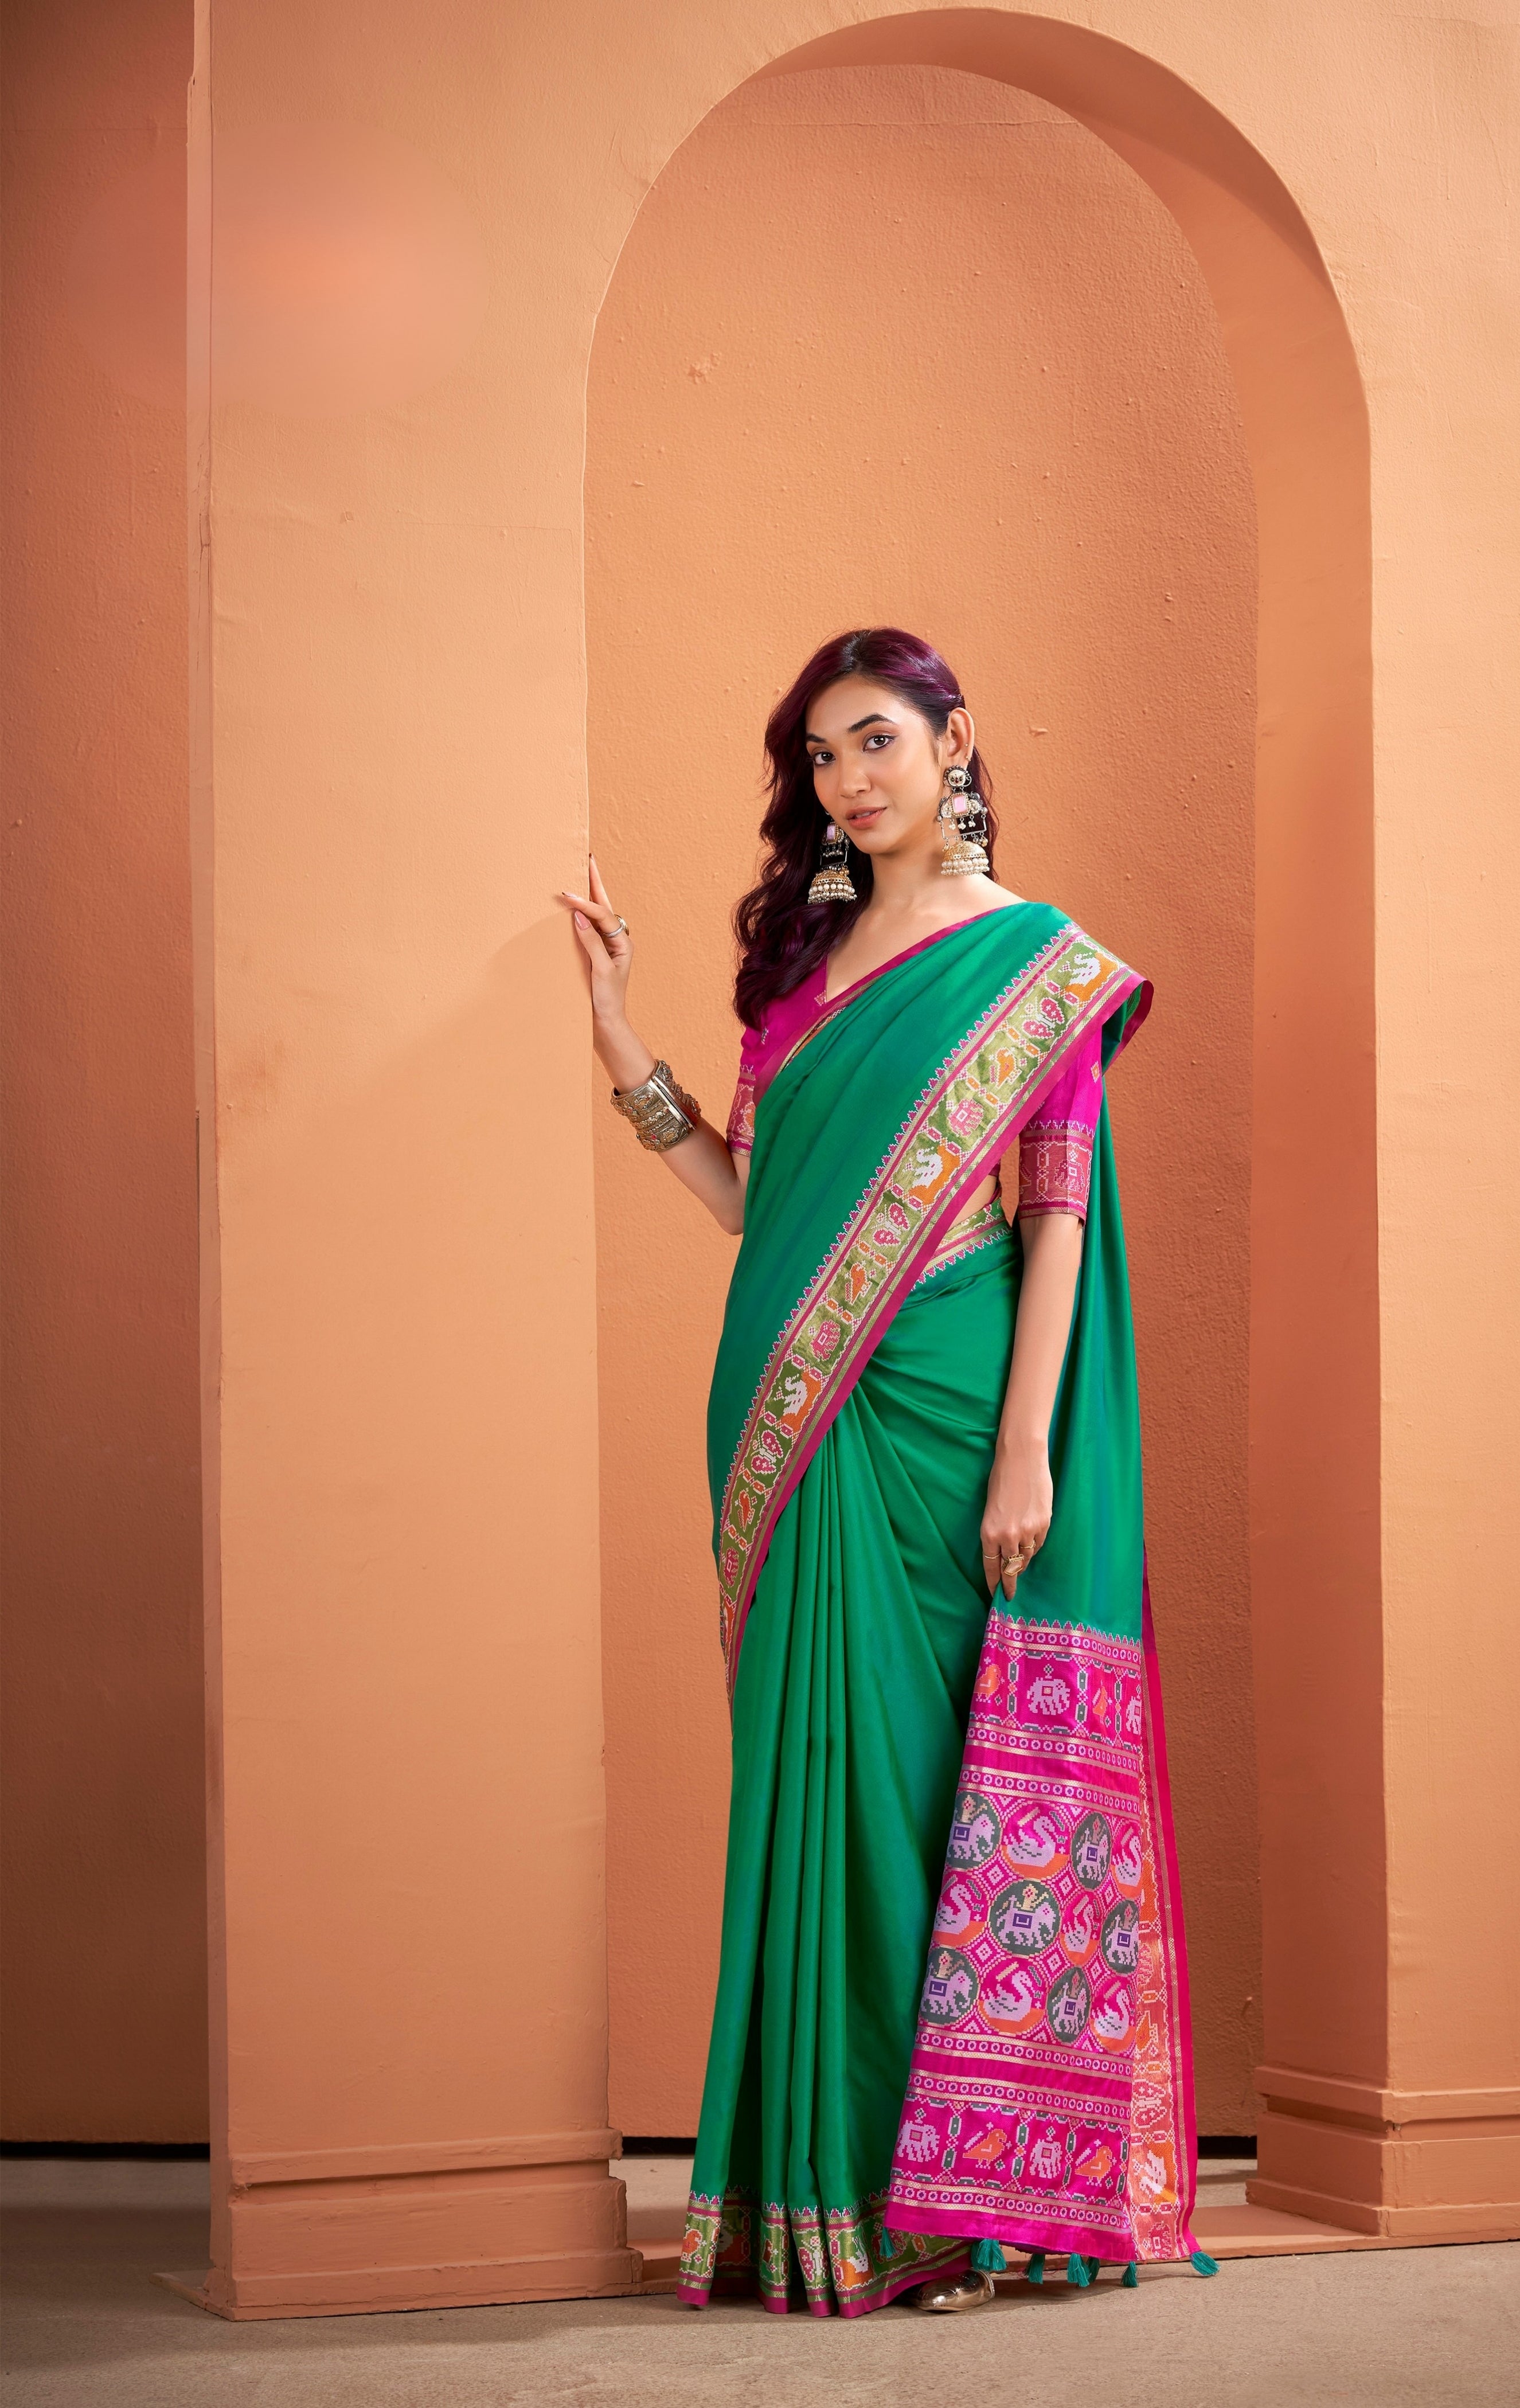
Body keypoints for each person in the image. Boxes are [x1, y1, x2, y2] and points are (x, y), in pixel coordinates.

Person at [559, 627, 1209, 2316]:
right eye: (824, 757)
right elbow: (748, 1202)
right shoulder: (803, 972)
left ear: (953, 743)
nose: (850, 778)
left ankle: (963, 2204)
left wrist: (1023, 1453)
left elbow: (1055, 1220)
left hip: (947, 1413)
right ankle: (821, 2203)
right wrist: (626, 1045)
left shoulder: (1035, 969)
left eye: (876, 741)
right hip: (782, 1415)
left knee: (931, 1786)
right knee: (813, 1792)